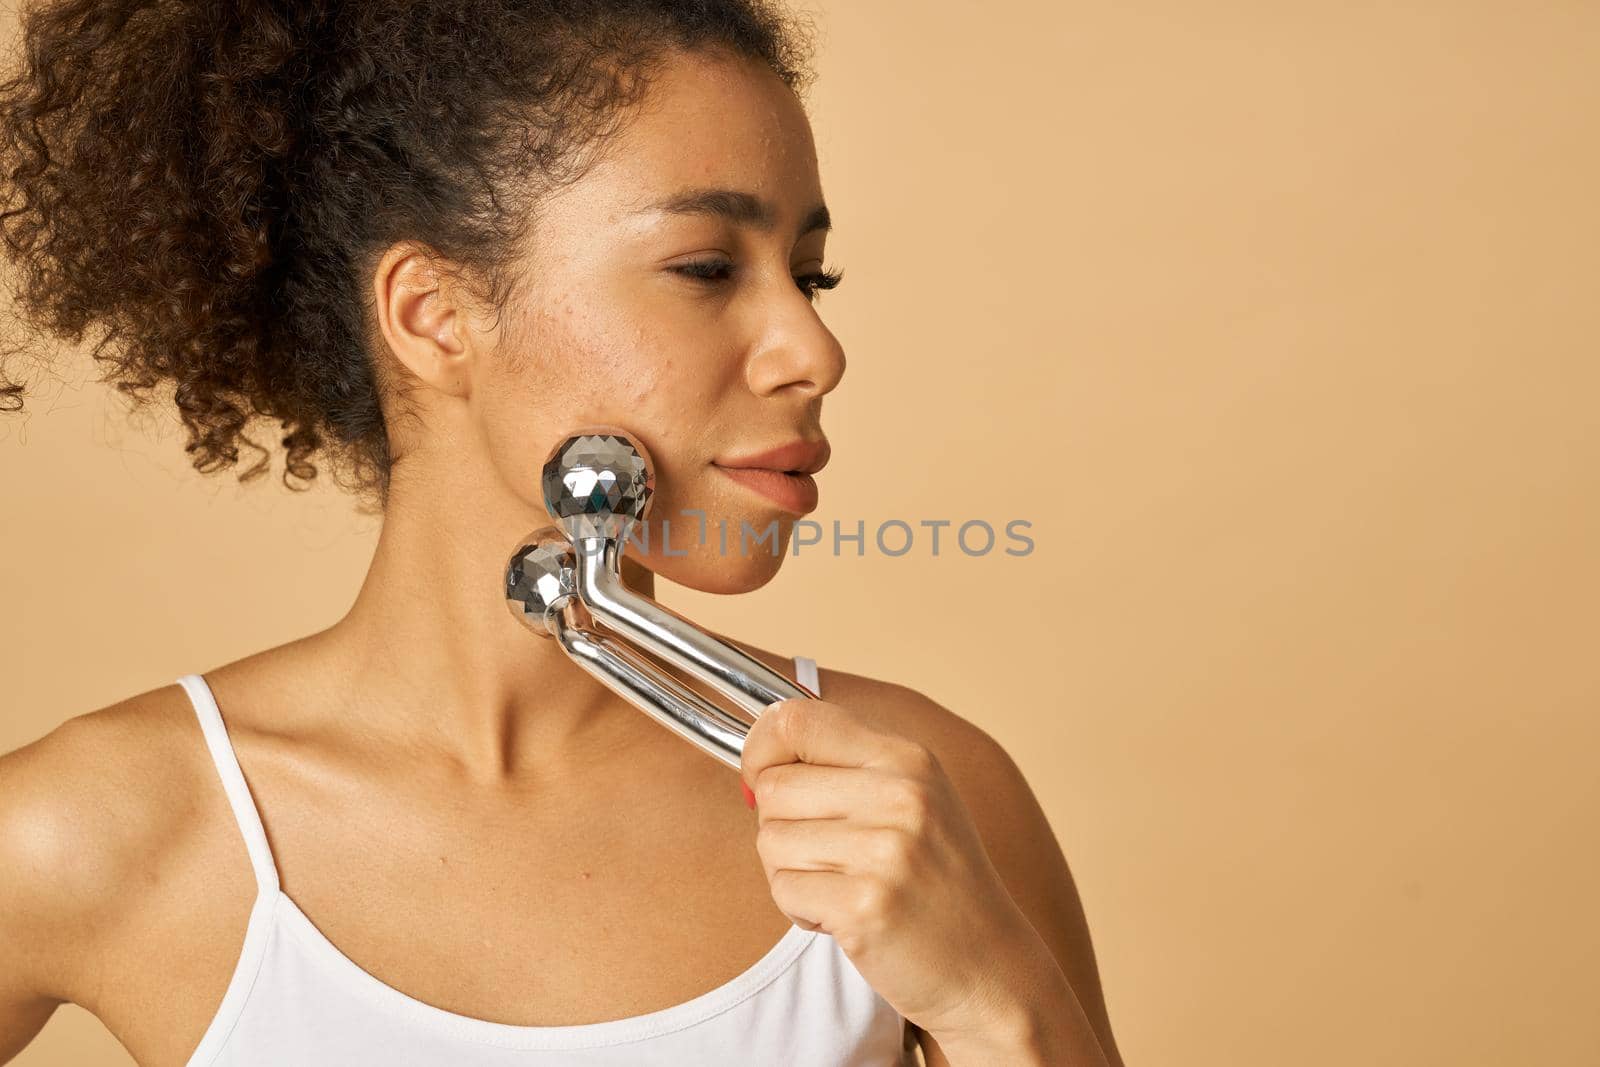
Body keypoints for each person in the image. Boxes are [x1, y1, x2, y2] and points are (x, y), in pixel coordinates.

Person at [0, 2, 1123, 1064]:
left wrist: (991, 998)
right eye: (705, 269)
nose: (812, 352)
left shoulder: (924, 804)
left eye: (811, 276)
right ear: (433, 317)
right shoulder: (109, 828)